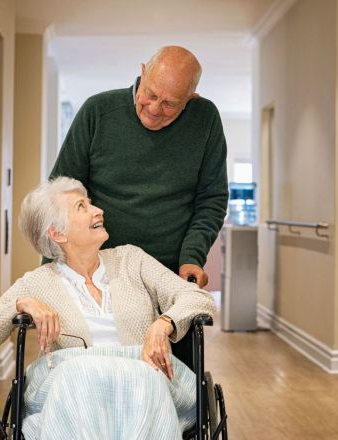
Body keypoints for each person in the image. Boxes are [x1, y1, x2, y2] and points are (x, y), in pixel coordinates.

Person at [0, 177, 216, 438]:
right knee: (79, 373)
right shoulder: (38, 281)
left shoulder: (131, 259)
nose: (98, 210)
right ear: (57, 233)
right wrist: (18, 304)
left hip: (144, 384)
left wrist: (163, 323)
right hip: (73, 388)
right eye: (82, 206)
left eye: (91, 203)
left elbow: (199, 299)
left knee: (145, 375)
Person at [49, 45, 228, 288]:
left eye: (169, 104)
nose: (154, 109)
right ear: (143, 72)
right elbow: (60, 195)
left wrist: (192, 257)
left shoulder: (204, 119)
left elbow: (212, 199)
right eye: (151, 94)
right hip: (98, 271)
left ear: (190, 98)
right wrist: (50, 271)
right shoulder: (98, 112)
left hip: (168, 273)